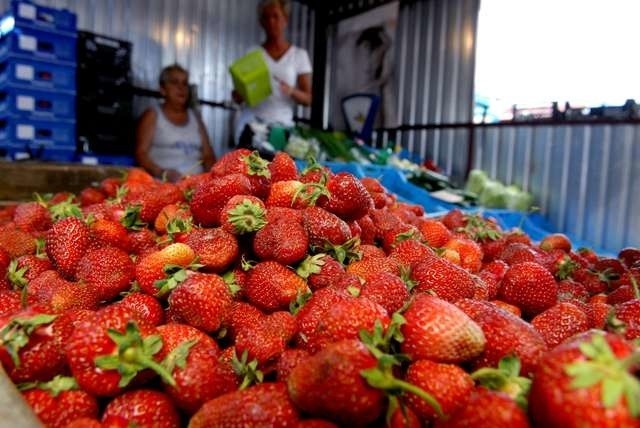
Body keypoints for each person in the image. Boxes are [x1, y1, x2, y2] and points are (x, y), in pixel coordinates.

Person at [233, 0, 312, 143]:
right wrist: (239, 94)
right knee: (249, 165)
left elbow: (308, 99)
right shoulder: (253, 54)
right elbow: (238, 97)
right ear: (261, 22)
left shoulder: (299, 55)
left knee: (277, 165)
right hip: (252, 127)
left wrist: (292, 91)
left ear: (285, 19)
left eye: (276, 16)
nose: (271, 22)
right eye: (266, 17)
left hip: (281, 129)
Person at [136, 64, 216, 182]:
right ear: (162, 90)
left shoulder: (196, 117)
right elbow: (141, 153)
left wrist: (213, 178)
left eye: (184, 83)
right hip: (162, 186)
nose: (181, 88)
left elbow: (208, 155)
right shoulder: (152, 115)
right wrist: (162, 172)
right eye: (174, 82)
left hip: (195, 186)